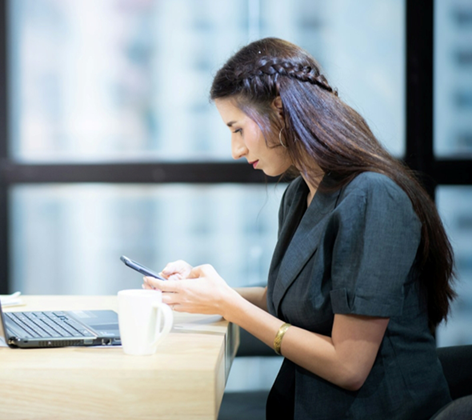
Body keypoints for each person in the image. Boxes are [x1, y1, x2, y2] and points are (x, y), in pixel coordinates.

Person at [142, 38, 456, 420]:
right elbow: (299, 300)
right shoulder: (299, 195)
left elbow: (349, 366)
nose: (235, 150)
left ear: (280, 111)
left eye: (238, 129)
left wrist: (228, 304)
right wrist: (203, 293)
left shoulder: (373, 197)